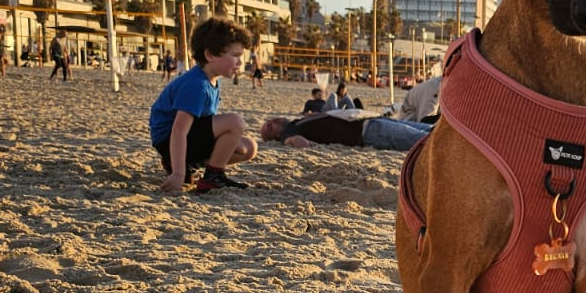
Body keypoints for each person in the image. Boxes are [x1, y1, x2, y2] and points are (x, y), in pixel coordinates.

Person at [149, 16, 257, 194]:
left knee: (248, 148)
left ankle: (188, 163)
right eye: (235, 56)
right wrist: (177, 174)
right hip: (169, 140)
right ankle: (211, 177)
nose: (240, 62)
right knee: (235, 122)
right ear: (210, 55)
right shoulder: (196, 85)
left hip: (187, 139)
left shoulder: (212, 79)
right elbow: (178, 130)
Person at [260, 111, 432, 152]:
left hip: (370, 120)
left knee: (433, 131)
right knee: (426, 139)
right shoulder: (287, 134)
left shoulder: (297, 122)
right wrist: (300, 142)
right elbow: (296, 142)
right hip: (369, 132)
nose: (273, 121)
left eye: (271, 120)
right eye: (270, 126)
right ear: (275, 136)